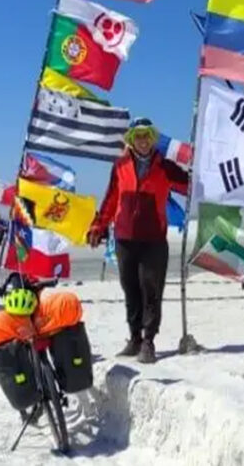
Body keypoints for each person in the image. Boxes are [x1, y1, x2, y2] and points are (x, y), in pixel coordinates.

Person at [87, 118, 189, 364]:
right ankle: (134, 338)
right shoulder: (120, 166)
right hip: (125, 238)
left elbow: (190, 186)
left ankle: (148, 341)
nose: (143, 141)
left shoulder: (165, 167)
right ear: (131, 140)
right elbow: (111, 198)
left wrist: (200, 173)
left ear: (152, 139)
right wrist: (99, 225)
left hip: (154, 239)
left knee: (151, 290)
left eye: (147, 136)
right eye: (138, 136)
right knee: (131, 289)